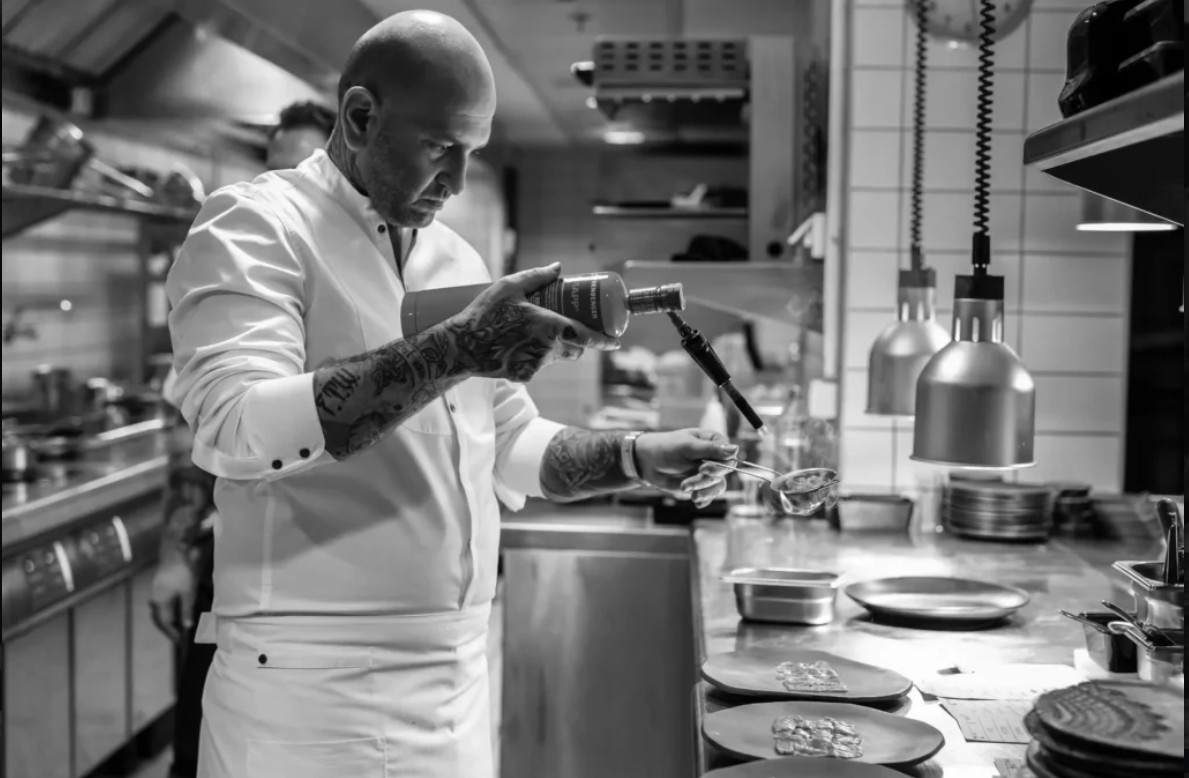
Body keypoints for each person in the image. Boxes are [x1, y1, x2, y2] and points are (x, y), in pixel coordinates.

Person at [165, 11, 734, 778]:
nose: (459, 180)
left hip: (456, 677)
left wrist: (636, 457)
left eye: (472, 151)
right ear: (359, 117)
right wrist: (461, 346)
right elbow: (238, 429)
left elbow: (509, 442)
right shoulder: (258, 226)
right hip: (313, 691)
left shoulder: (454, 258)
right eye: (440, 147)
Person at [149, 99, 335, 778]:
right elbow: (191, 439)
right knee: (199, 743)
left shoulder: (351, 286)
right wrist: (174, 555)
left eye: (301, 167)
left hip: (324, 585)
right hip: (231, 566)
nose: (281, 184)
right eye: (272, 167)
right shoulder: (235, 282)